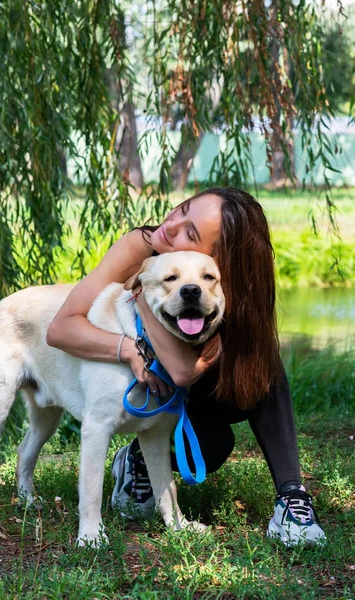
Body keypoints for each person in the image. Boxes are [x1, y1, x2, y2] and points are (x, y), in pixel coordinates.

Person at [46, 187, 326, 546]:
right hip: (160, 381)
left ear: (218, 259)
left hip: (199, 381)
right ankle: (137, 462)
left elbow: (185, 372)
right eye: (182, 209)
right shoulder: (142, 245)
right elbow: (61, 327)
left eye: (191, 234)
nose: (172, 226)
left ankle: (292, 497)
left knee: (260, 371)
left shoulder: (219, 283)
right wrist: (133, 338)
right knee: (210, 443)